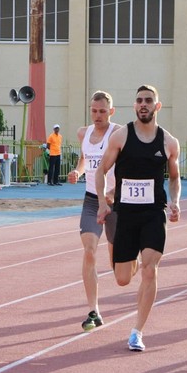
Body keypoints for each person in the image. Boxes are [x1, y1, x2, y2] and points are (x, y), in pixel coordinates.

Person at [95, 84, 181, 352]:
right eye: (139, 100)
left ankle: (137, 331)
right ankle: (126, 256)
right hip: (125, 213)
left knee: (150, 269)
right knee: (122, 278)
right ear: (135, 106)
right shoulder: (121, 136)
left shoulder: (169, 142)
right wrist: (101, 202)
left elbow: (175, 177)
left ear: (158, 106)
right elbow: (101, 170)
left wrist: (175, 201)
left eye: (148, 100)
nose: (143, 104)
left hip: (154, 212)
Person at [67, 91, 122, 331]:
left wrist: (113, 192)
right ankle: (93, 310)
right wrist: (78, 172)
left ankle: (133, 257)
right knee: (89, 251)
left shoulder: (118, 134)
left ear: (111, 111)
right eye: (94, 111)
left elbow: (128, 167)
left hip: (116, 202)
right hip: (91, 200)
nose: (97, 116)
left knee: (119, 267)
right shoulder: (83, 133)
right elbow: (84, 157)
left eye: (102, 111)